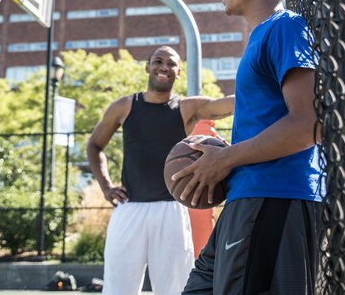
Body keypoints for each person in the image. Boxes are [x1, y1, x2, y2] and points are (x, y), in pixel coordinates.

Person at [174, 0, 326, 295]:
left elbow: (308, 125)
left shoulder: (285, 27)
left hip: (275, 197)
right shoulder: (260, 38)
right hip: (248, 197)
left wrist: (226, 157)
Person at [86, 45, 234, 295]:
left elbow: (229, 103)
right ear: (148, 66)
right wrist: (107, 187)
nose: (164, 67)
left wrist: (265, 82)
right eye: (158, 61)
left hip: (171, 211)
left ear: (179, 72)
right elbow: (94, 144)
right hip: (129, 208)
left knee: (175, 290)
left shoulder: (187, 108)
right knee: (117, 289)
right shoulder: (124, 106)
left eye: (171, 63)